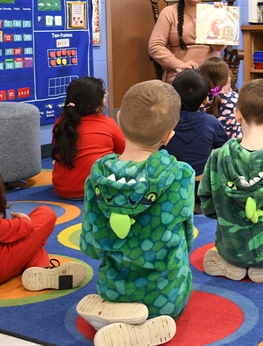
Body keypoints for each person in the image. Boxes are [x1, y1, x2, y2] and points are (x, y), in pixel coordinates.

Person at [79, 80, 196, 345]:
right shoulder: (181, 175)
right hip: (164, 294)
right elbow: (186, 235)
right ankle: (144, 329)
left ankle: (113, 317)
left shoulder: (96, 176)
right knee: (181, 281)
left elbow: (90, 245)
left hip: (113, 289)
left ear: (119, 119)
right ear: (168, 135)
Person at [0, 89, 87, 290]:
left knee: (30, 236)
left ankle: (38, 267)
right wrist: (23, 225)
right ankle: (40, 265)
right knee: (44, 216)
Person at [199, 79, 263, 283]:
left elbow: (207, 204)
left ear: (237, 113)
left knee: (223, 247)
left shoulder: (217, 157)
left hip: (230, 248)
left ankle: (231, 264)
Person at [163, 69, 229, 208]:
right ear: (205, 100)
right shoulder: (211, 122)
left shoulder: (164, 123)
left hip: (169, 188)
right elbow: (226, 152)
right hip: (202, 190)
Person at [51, 77, 125, 199]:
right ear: (97, 105)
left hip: (61, 189)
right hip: (96, 189)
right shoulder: (108, 124)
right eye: (104, 95)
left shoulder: (60, 123)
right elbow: (126, 153)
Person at [148, 0, 225, 84]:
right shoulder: (169, 13)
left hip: (212, 73)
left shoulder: (213, 12)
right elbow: (155, 46)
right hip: (181, 73)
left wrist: (220, 16)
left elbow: (218, 48)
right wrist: (179, 65)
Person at [199, 57, 242, 139]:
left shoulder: (199, 100)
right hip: (233, 147)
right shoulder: (235, 98)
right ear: (226, 80)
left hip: (207, 146)